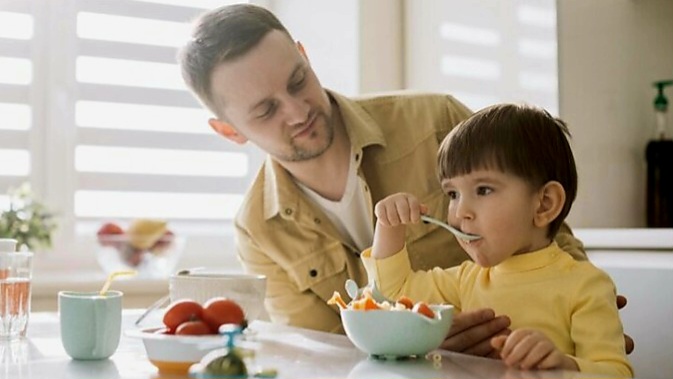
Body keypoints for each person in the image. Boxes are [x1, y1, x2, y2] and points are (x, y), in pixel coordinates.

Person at [177, 4, 632, 358]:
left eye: (298, 81)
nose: (298, 112)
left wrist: (584, 327)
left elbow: (551, 238)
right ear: (230, 131)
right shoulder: (258, 229)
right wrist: (423, 342)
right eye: (266, 110)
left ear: (304, 56)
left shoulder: (435, 122)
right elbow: (324, 351)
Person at [362, 103, 633, 376]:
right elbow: (392, 295)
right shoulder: (465, 280)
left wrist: (563, 366)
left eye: (483, 189)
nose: (460, 212)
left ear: (544, 205)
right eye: (453, 194)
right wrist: (389, 227)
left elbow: (615, 372)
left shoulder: (586, 286)